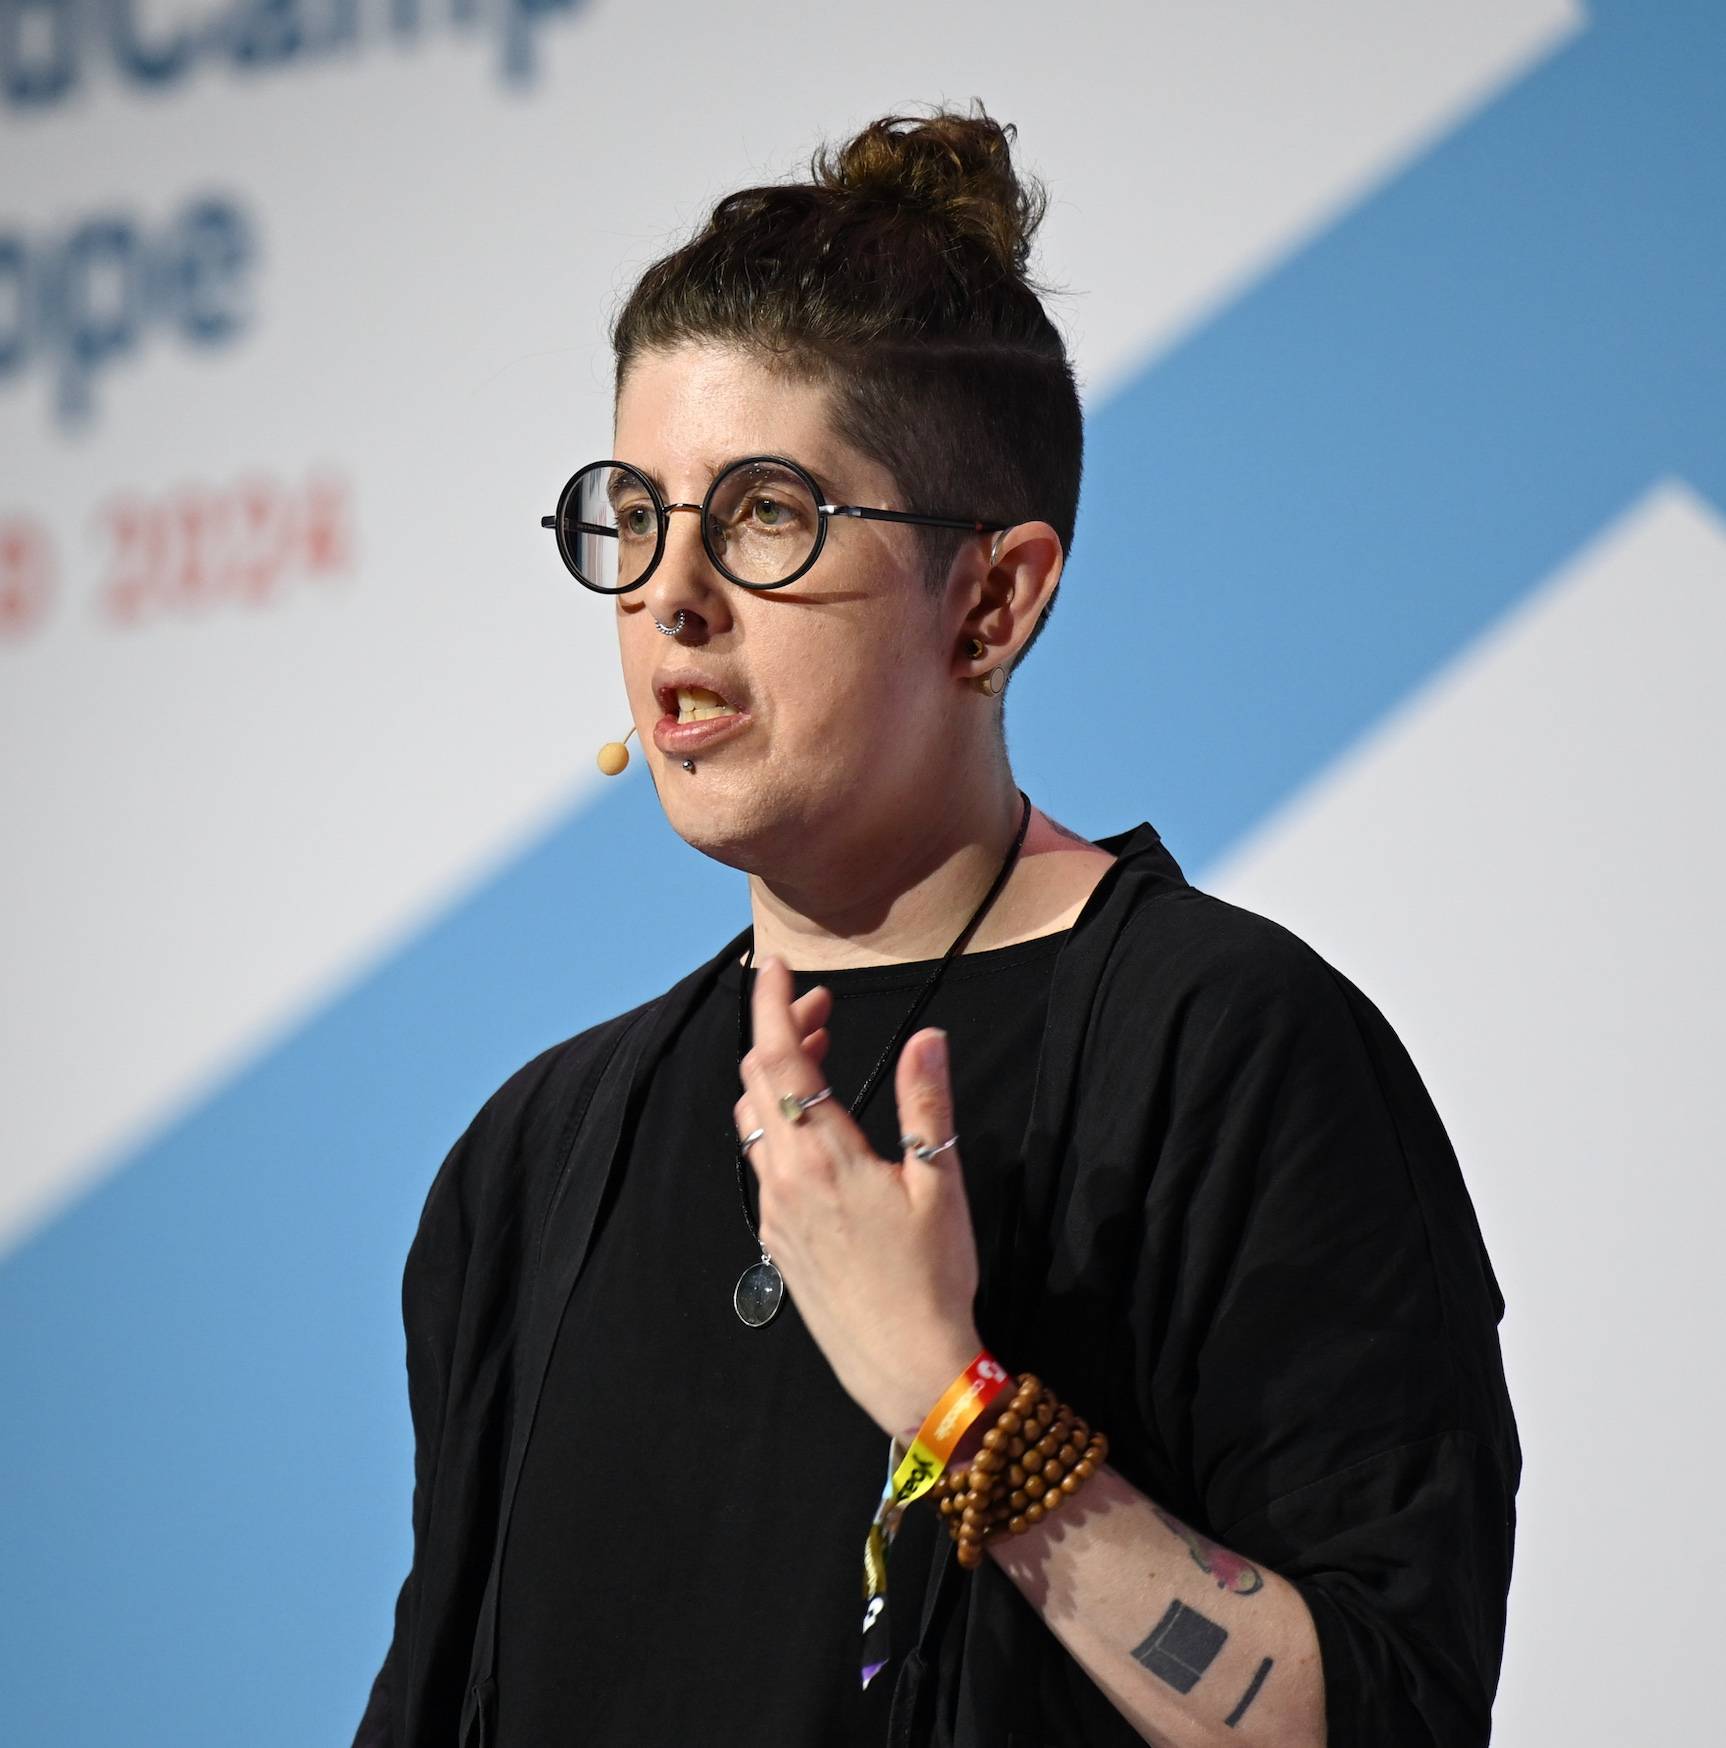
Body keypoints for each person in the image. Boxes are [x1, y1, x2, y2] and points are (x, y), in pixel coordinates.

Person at [352, 105, 1519, 1748]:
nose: (671, 594)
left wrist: (960, 1412)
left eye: (766, 513)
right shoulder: (535, 1159)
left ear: (991, 599)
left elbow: (1381, 1716)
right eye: (635, 511)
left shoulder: (1229, 1053)